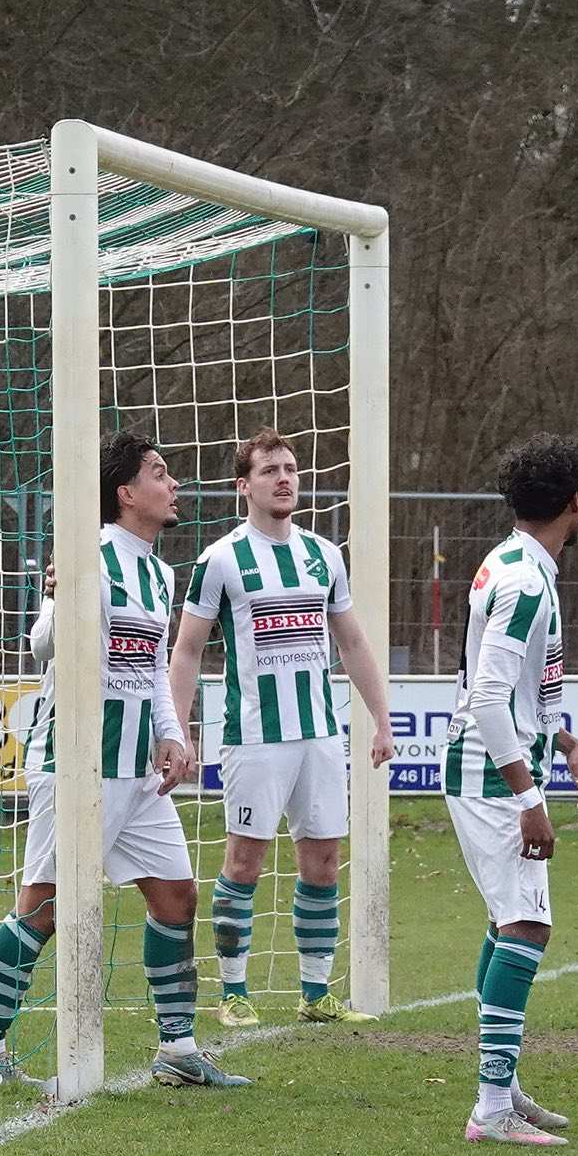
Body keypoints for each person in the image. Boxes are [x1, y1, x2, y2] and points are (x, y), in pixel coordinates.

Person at [0, 431, 248, 1089]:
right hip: (76, 762)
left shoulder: (159, 570)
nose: (173, 485)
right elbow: (40, 646)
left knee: (176, 894)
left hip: (138, 773)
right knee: (43, 906)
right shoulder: (88, 554)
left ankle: (177, 1051)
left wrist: (173, 736)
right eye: (160, 473)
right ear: (127, 492)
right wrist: (61, 595)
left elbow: (149, 673)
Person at [169, 428, 394, 1027]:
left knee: (322, 859)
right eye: (270, 470)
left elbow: (350, 639)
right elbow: (188, 649)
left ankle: (316, 993)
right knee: (244, 861)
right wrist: (180, 728)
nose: (285, 478)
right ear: (244, 485)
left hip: (321, 733)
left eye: (291, 468)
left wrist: (381, 719)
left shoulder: (324, 554)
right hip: (254, 736)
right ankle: (234, 992)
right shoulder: (219, 560)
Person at [448, 434, 578, 1146]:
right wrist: (528, 798)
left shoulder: (514, 564)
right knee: (528, 927)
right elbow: (485, 696)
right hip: (490, 774)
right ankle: (490, 1108)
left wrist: (562, 742)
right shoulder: (525, 581)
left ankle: (501, 1089)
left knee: (507, 921)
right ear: (576, 502)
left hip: (491, 765)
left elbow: (510, 688)